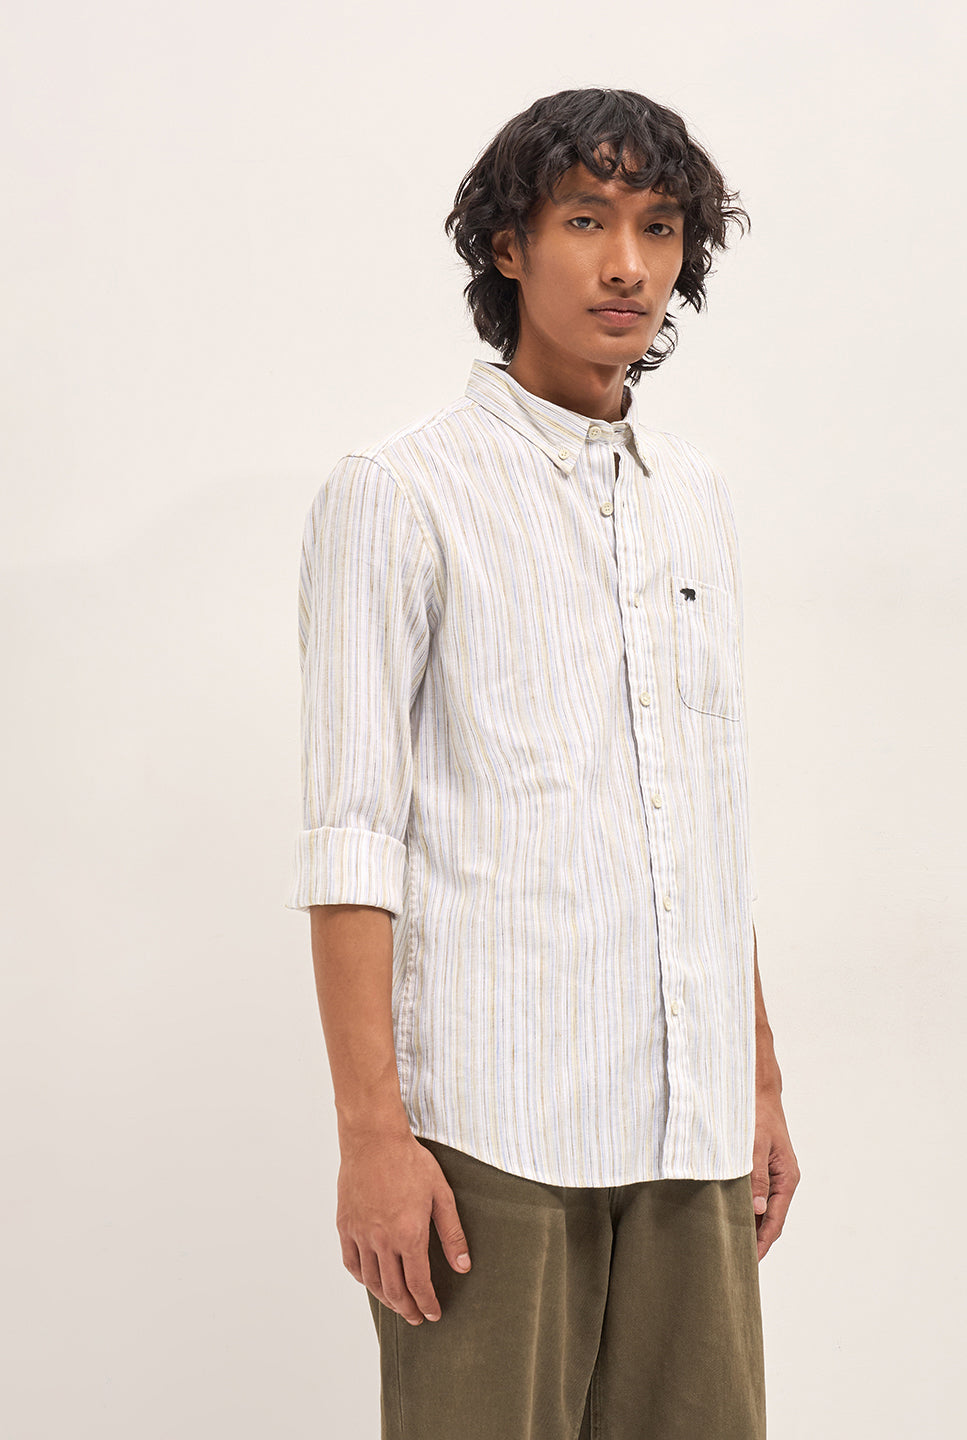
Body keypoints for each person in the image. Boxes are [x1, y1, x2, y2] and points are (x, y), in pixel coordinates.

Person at [287, 86, 799, 1440]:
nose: (627, 263)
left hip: (688, 1128)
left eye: (659, 226)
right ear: (509, 245)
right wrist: (371, 1138)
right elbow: (352, 836)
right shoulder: (399, 494)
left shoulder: (697, 500)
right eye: (586, 221)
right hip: (491, 1132)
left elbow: (702, 813)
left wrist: (756, 1078)